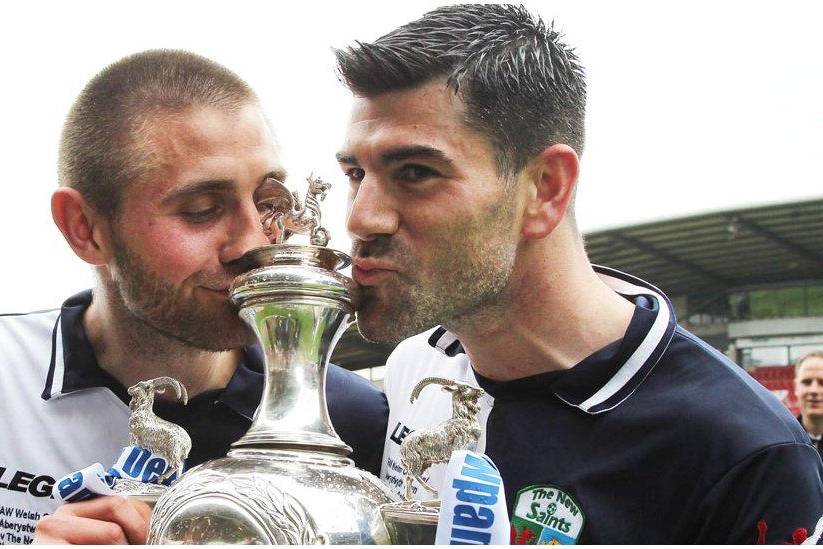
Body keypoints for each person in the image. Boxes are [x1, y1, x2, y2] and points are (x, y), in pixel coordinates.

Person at [335, 5, 823, 544]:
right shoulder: (417, 368)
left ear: (545, 188)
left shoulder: (742, 453)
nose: (361, 216)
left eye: (416, 172)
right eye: (356, 173)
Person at [0, 49, 387, 545]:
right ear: (85, 229)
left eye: (269, 202)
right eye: (203, 208)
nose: (253, 243)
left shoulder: (353, 418)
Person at [795, 351, 823, 457]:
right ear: (796, 387)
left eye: (822, 382)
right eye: (807, 382)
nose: (814, 390)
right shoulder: (781, 442)